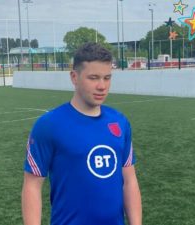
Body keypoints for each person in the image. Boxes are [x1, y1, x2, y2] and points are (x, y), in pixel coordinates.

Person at [21, 42, 142, 225]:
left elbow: (129, 180)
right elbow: (32, 185)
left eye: (107, 78)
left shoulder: (120, 122)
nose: (102, 86)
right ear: (74, 77)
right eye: (93, 78)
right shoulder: (49, 125)